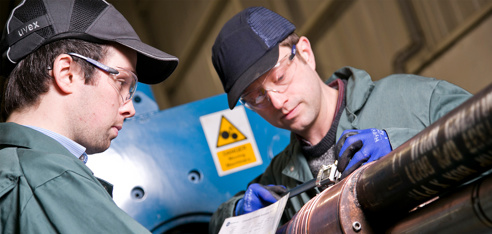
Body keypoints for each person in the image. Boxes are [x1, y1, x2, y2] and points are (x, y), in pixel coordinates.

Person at [208, 6, 472, 233]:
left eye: (279, 78)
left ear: (305, 54)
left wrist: (405, 150)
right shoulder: (281, 176)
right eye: (256, 97)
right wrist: (240, 212)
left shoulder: (416, 99)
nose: (277, 101)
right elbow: (216, 225)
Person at [0, 0, 178, 233]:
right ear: (68, 74)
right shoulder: (47, 179)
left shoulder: (15, 171)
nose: (130, 109)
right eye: (122, 82)